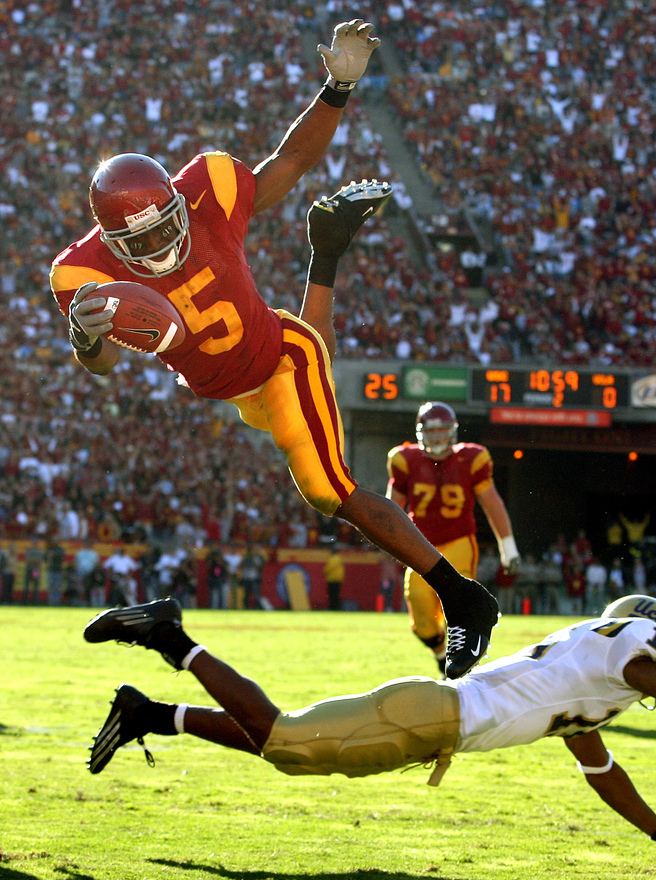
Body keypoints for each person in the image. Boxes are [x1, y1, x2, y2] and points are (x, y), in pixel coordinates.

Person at [49, 19, 496, 680]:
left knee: (328, 489)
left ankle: (466, 601)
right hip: (231, 389)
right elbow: (106, 364)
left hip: (280, 354)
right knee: (312, 438)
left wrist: (338, 87)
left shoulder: (210, 185)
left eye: (166, 227)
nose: (157, 248)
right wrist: (86, 341)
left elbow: (290, 162)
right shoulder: (77, 272)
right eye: (136, 246)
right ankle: (327, 251)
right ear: (106, 241)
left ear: (179, 200)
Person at [83, 594, 656, 854]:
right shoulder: (631, 658)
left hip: (437, 719)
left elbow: (601, 769)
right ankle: (170, 637)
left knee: (292, 749)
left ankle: (153, 713)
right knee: (286, 739)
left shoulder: (590, 676)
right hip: (436, 715)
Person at [386, 402, 517, 673]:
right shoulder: (405, 461)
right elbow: (391, 509)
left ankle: (463, 659)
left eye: (442, 431)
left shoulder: (471, 459)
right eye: (431, 432)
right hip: (419, 543)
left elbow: (492, 504)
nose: (437, 437)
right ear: (421, 433)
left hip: (459, 540)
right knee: (421, 612)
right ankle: (440, 653)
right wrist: (389, 542)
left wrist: (508, 546)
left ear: (453, 431)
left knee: (459, 601)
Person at [323, 544, 345, 610]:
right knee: (336, 594)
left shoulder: (333, 559)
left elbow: (328, 568)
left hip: (332, 578)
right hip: (338, 578)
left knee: (332, 594)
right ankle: (336, 606)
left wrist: (325, 572)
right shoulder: (339, 558)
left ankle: (332, 607)